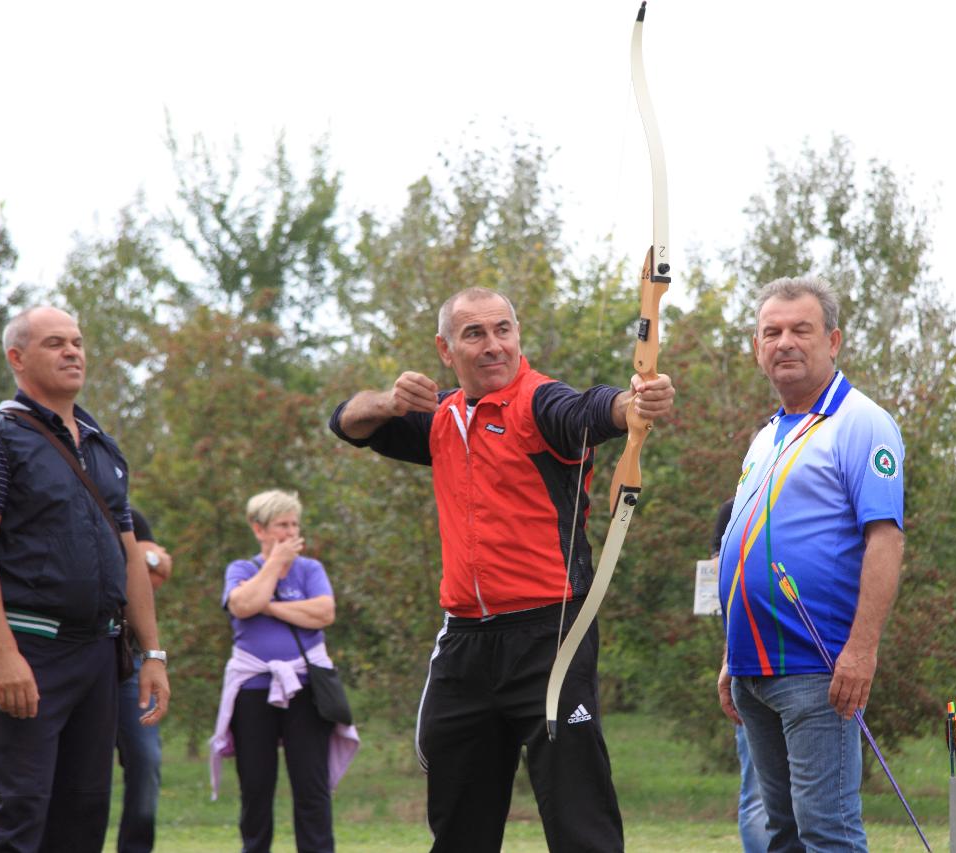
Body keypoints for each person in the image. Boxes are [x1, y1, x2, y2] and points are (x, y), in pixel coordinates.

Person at [329, 286, 675, 853]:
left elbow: (588, 408)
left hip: (550, 638)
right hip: (465, 643)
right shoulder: (442, 418)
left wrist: (631, 406)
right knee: (459, 829)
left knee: (580, 824)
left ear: (518, 336)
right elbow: (345, 421)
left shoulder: (539, 404)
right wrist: (390, 402)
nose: (493, 346)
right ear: (446, 349)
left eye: (503, 330)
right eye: (474, 334)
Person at [0, 305, 171, 852]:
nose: (72, 352)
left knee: (84, 813)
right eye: (55, 343)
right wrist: (2, 651)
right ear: (17, 358)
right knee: (21, 811)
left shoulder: (103, 447)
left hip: (101, 654)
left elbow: (130, 557)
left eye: (77, 342)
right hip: (30, 648)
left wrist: (151, 655)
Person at [716, 276, 905, 852]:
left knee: (828, 834)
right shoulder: (766, 436)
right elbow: (747, 546)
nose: (785, 343)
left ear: (834, 340)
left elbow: (885, 541)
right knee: (783, 836)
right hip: (755, 670)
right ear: (756, 348)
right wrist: (732, 655)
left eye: (802, 329)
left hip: (818, 670)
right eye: (771, 332)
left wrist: (862, 650)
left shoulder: (861, 422)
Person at [209, 489, 359, 853]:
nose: (292, 533)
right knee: (256, 786)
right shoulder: (241, 569)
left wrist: (270, 606)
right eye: (282, 525)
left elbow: (324, 613)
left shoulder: (311, 570)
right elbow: (243, 606)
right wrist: (274, 565)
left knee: (312, 785)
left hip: (307, 689)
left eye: (295, 524)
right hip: (253, 689)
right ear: (259, 529)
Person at [712, 497, 772, 853]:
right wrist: (728, 660)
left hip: (802, 666)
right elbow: (724, 590)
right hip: (747, 660)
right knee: (757, 792)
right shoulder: (733, 509)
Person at [115, 508, 173, 853]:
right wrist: (141, 557)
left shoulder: (130, 515)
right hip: (78, 654)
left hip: (129, 659)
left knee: (146, 759)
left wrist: (135, 557)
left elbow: (158, 571)